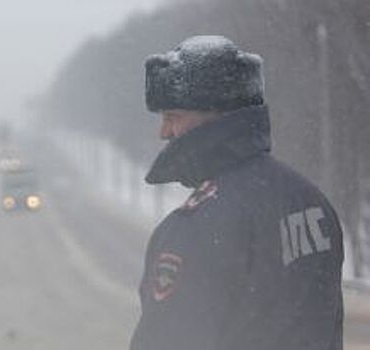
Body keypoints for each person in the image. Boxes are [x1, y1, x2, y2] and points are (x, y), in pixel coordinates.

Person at [130, 35, 344, 350]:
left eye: (172, 116)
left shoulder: (198, 226)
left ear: (213, 119)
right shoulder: (310, 200)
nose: (165, 132)